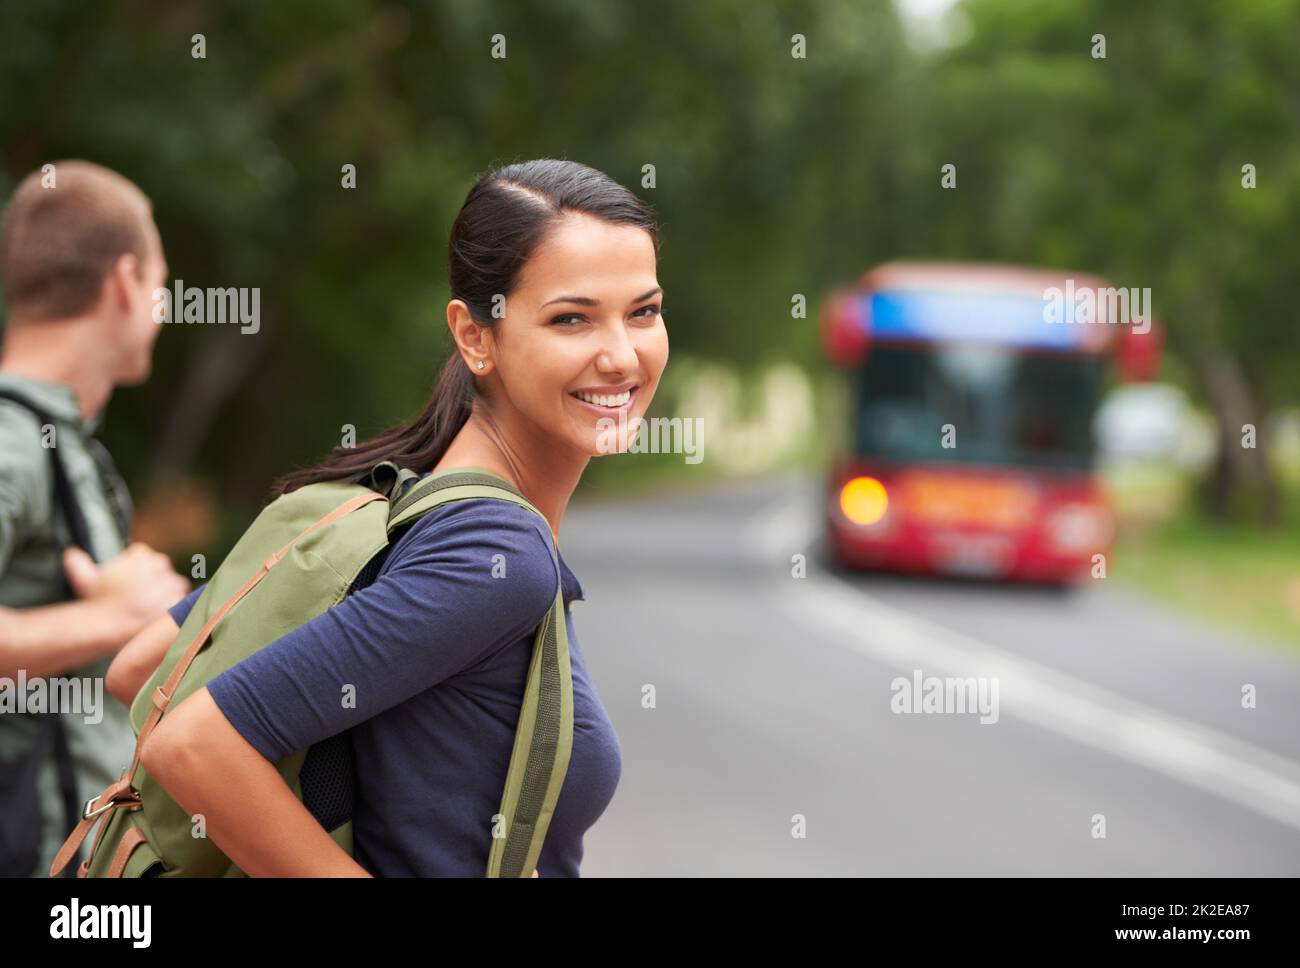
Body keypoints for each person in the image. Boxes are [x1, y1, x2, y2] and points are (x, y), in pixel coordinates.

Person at [110, 158, 668, 876]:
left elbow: (139, 669)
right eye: (571, 319)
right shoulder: (495, 555)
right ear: (475, 337)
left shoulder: (384, 501)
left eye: (644, 311)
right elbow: (192, 745)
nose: (621, 355)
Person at [0, 160, 190, 877]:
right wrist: (128, 616)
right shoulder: (14, 442)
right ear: (122, 283)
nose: (165, 310)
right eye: (160, 286)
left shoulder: (59, 441)